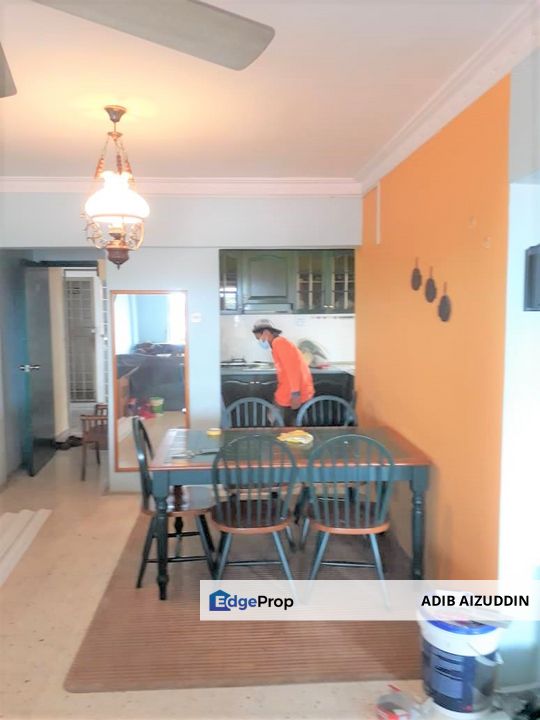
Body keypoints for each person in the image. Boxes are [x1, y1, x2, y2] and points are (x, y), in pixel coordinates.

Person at [252, 320, 314, 426]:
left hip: (293, 393)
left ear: (266, 333)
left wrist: (295, 394)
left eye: (259, 338)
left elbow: (292, 370)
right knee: (280, 421)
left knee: (284, 426)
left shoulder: (279, 343)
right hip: (289, 392)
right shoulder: (279, 344)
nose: (260, 342)